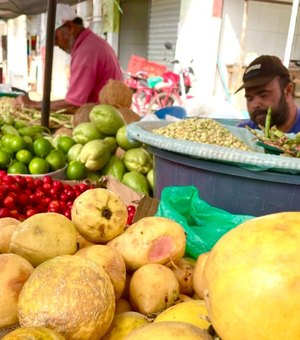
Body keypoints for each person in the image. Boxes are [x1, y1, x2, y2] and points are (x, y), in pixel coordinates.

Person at [14, 3, 123, 114]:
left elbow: (73, 105)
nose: (55, 44)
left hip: (105, 118)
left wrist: (34, 105)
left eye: (56, 38)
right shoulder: (91, 42)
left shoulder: (86, 52)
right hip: (105, 115)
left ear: (70, 27)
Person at [235, 55, 300, 133]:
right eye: (249, 98)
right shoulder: (243, 134)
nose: (254, 105)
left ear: (288, 91)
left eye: (263, 95)